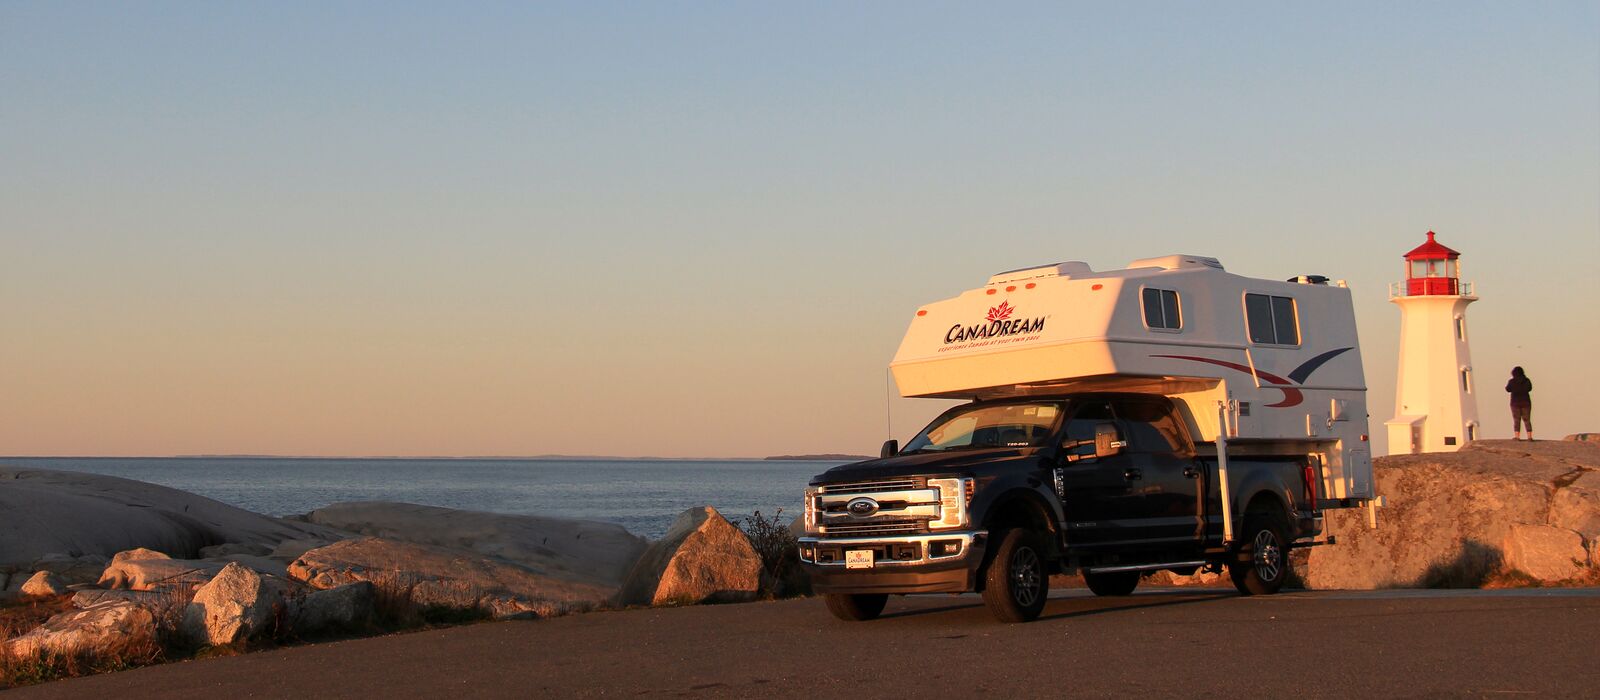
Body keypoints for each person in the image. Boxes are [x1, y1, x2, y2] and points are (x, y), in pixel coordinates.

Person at [1505, 366, 1533, 441]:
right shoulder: (1526, 380)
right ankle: (1529, 436)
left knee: (1516, 420)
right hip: (1526, 402)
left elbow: (1507, 389)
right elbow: (1529, 388)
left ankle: (1517, 436)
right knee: (1527, 419)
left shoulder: (1512, 381)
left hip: (1515, 403)